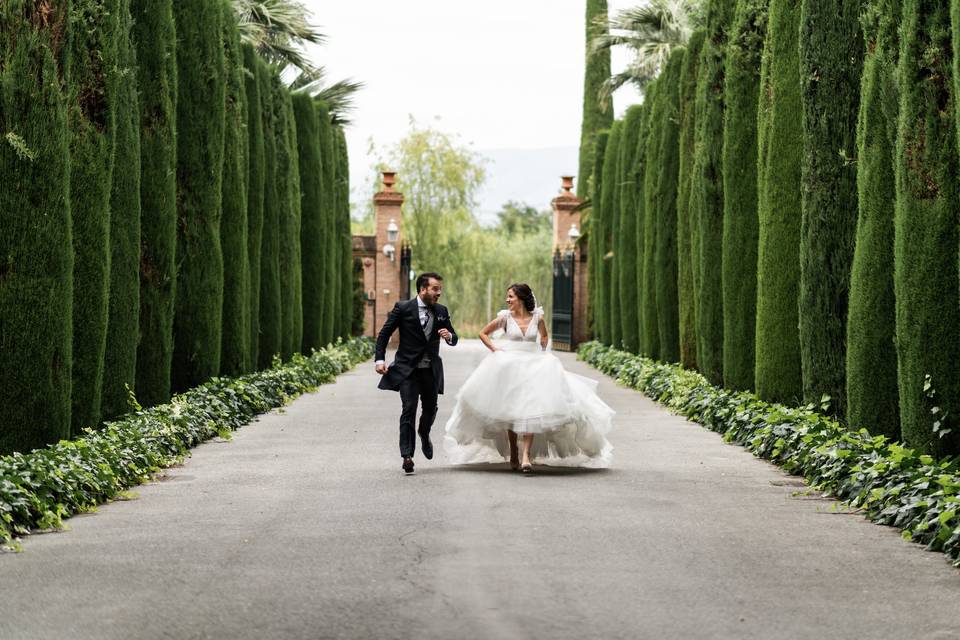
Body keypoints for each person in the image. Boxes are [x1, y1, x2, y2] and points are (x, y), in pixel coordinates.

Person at [443, 283, 613, 473]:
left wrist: (543, 348)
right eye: (507, 297)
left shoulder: (538, 317)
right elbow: (483, 333)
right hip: (510, 364)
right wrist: (496, 350)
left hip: (534, 365)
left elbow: (544, 336)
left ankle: (525, 455)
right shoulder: (504, 318)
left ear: (521, 298)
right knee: (510, 408)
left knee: (531, 408)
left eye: (511, 296)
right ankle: (514, 453)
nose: (507, 300)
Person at [375, 272, 459, 474]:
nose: (439, 292)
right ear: (423, 289)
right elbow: (385, 333)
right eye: (435, 289)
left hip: (430, 370)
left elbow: (454, 337)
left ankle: (424, 431)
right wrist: (379, 359)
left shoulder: (441, 311)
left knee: (430, 409)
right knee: (409, 408)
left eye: (440, 288)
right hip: (407, 370)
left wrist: (449, 336)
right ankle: (407, 455)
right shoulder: (403, 308)